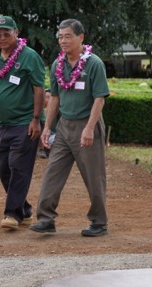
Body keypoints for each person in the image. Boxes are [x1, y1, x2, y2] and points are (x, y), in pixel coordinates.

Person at [29, 18, 110, 237]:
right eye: (60, 37)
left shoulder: (93, 63)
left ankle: (99, 222)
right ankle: (46, 219)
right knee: (52, 173)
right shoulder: (58, 64)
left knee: (94, 177)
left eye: (68, 36)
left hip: (87, 125)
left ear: (81, 37)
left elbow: (99, 98)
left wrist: (90, 128)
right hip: (64, 127)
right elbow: (54, 97)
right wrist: (48, 127)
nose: (63, 41)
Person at [0, 16, 45, 231]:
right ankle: (25, 209)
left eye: (6, 33)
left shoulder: (29, 57)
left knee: (18, 167)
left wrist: (36, 119)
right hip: (3, 124)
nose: (2, 37)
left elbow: (39, 88)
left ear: (16, 32)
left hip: (25, 122)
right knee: (4, 169)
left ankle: (11, 213)